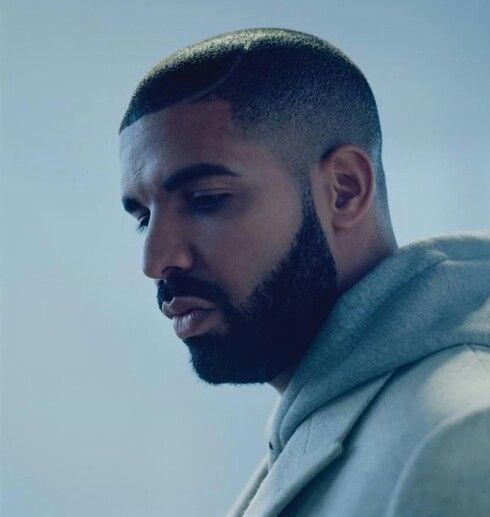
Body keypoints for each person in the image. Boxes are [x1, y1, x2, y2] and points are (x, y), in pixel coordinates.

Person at [118, 27, 490, 517]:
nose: (156, 261)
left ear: (344, 190)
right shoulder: (312, 436)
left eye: (206, 200)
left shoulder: (463, 437)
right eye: (144, 217)